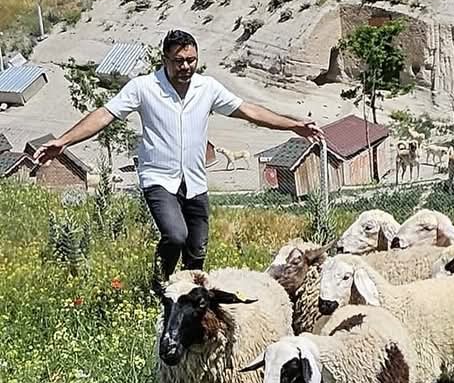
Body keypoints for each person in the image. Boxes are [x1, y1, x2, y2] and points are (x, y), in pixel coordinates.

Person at [35, 29, 324, 280]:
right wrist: (64, 141)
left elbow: (249, 110)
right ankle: (160, 283)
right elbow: (104, 115)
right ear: (165, 60)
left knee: (197, 248)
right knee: (175, 235)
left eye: (191, 60)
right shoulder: (143, 88)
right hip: (158, 177)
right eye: (179, 61)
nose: (186, 66)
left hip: (195, 180)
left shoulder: (206, 88)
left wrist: (294, 125)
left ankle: (188, 298)